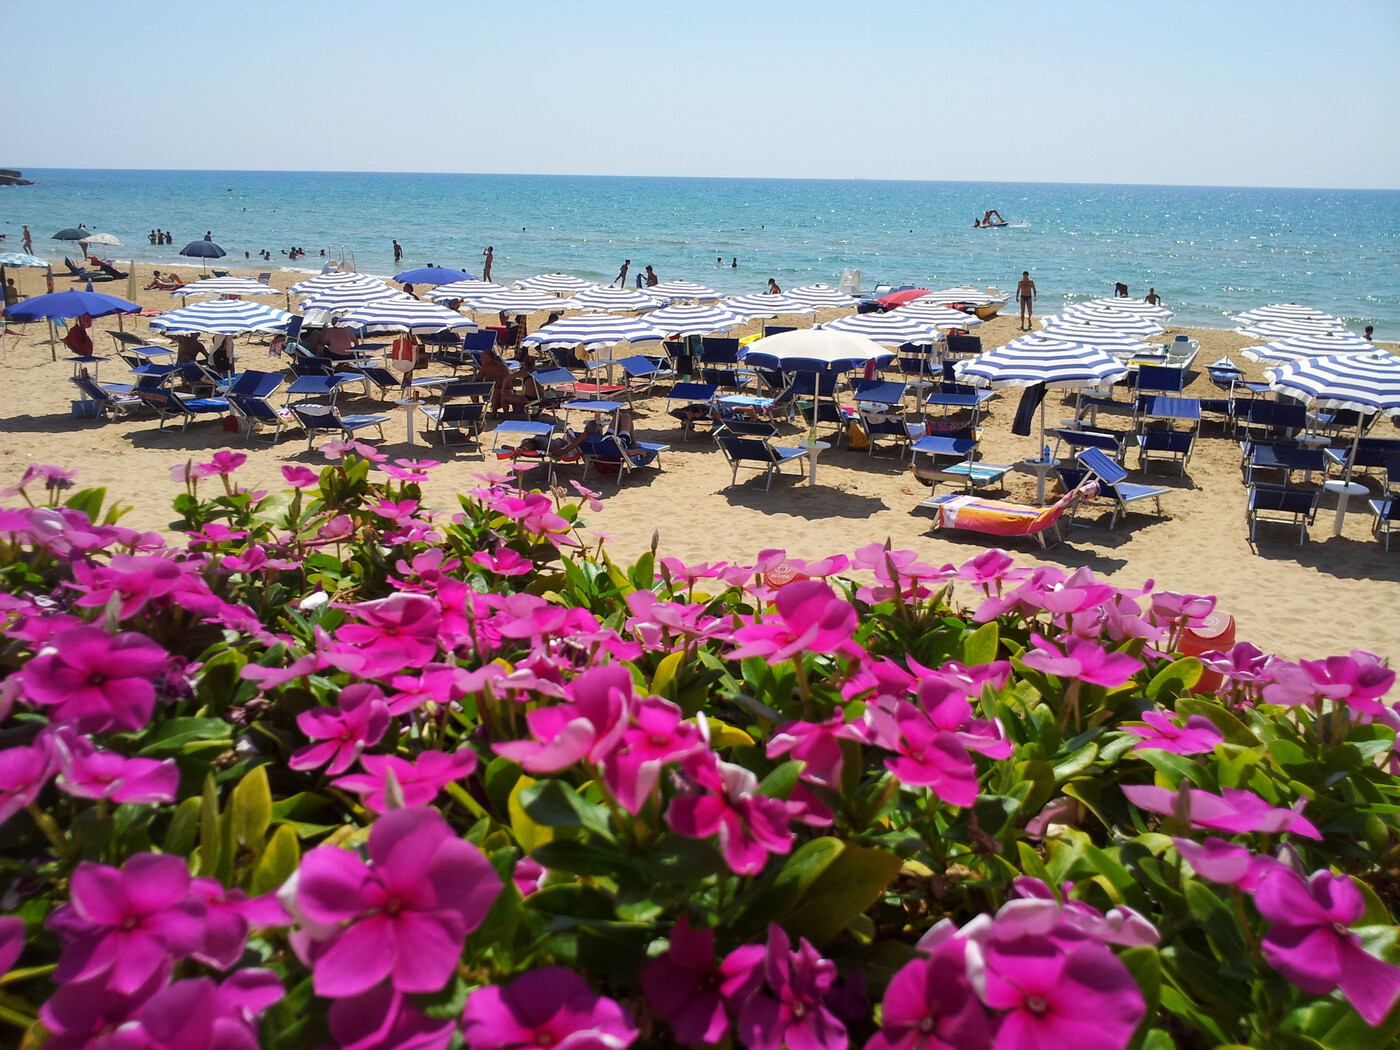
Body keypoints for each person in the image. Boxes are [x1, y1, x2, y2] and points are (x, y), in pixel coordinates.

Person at [475, 346, 511, 412]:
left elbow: (504, 383)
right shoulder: (484, 368)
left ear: (489, 359)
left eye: (483, 358)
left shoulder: (501, 368)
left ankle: (493, 414)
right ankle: (476, 409)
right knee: (473, 390)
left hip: (504, 390)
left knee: (495, 392)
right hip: (490, 390)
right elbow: (478, 379)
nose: (481, 359)